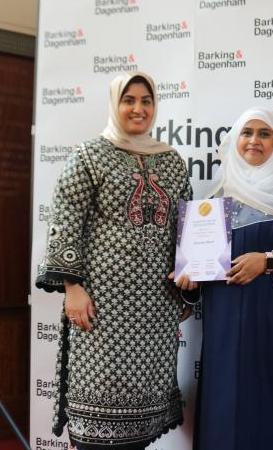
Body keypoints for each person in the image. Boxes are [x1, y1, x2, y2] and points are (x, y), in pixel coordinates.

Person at [36, 71, 192, 450]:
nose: (138, 109)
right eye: (129, 100)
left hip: (155, 310)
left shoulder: (171, 161)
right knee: (96, 412)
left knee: (142, 418)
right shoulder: (90, 155)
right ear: (115, 104)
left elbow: (187, 225)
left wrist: (189, 279)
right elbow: (65, 219)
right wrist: (72, 288)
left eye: (146, 101)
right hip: (102, 308)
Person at [174, 107, 273, 450]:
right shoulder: (214, 198)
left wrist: (269, 261)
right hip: (225, 323)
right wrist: (190, 279)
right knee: (226, 400)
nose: (254, 140)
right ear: (235, 140)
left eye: (264, 133)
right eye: (247, 132)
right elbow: (200, 270)